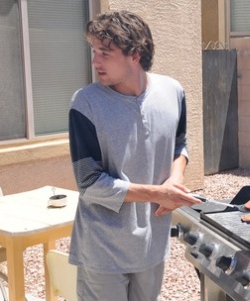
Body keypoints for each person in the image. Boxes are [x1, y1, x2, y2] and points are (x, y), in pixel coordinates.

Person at [68, 10, 201, 301]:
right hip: (102, 248)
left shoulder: (173, 91)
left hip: (152, 244)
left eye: (105, 52)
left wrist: (175, 180)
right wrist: (158, 193)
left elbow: (180, 144)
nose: (95, 61)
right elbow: (89, 183)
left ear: (135, 54)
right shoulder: (86, 103)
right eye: (94, 51)